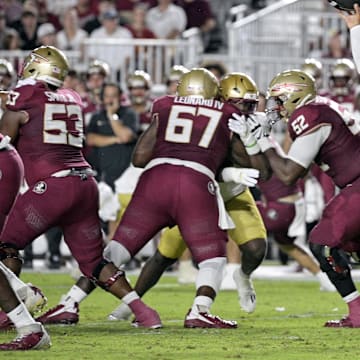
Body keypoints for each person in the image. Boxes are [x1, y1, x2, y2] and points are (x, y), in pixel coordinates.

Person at [36, 68, 269, 329]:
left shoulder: (165, 106)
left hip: (155, 181)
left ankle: (70, 302)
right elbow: (260, 167)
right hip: (196, 186)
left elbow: (138, 159)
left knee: (117, 250)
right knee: (211, 256)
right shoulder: (228, 116)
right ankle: (199, 310)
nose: (246, 109)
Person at [0, 45, 162, 330]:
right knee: (95, 264)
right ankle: (144, 312)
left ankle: (9, 313)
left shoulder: (24, 96)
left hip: (52, 187)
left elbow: (6, 138)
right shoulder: (72, 97)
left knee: (5, 246)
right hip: (85, 183)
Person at [229, 68, 360, 327]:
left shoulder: (309, 115)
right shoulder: (322, 105)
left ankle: (357, 312)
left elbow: (289, 174)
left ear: (294, 96)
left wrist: (263, 140)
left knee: (322, 243)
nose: (275, 107)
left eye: (278, 100)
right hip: (353, 185)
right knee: (351, 244)